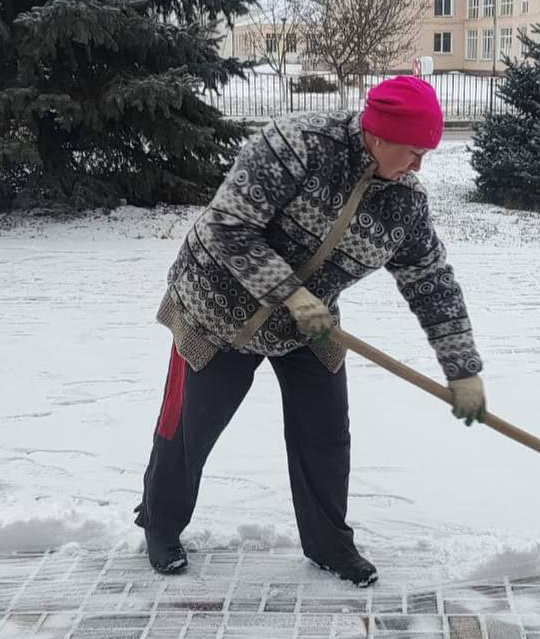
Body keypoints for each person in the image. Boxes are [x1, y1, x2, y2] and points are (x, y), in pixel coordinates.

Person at [135, 75, 485, 586]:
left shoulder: (404, 203)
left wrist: (463, 369)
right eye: (412, 152)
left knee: (325, 433)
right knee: (191, 427)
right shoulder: (297, 144)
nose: (417, 166)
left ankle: (328, 545)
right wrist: (290, 293)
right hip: (219, 310)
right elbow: (225, 225)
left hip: (309, 325)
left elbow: (431, 281)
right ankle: (160, 525)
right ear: (380, 134)